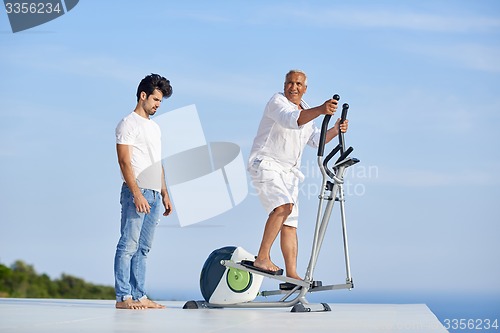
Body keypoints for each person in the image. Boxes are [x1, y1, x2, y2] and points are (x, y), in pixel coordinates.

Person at [248, 69, 349, 280]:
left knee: (290, 223)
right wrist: (321, 110)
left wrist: (336, 129)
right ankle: (262, 257)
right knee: (283, 206)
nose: (293, 87)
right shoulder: (277, 102)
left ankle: (292, 276)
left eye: (298, 84)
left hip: (290, 173)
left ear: (305, 89)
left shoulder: (306, 108)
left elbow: (314, 139)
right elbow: (290, 120)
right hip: (266, 163)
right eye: (289, 83)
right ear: (284, 85)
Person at [114, 74, 173, 309]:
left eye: (160, 101)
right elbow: (124, 162)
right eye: (156, 99)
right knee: (128, 245)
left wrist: (165, 192)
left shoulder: (155, 127)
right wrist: (136, 193)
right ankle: (123, 297)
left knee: (143, 249)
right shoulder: (127, 123)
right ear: (143, 96)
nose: (158, 104)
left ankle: (139, 296)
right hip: (136, 193)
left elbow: (157, 161)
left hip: (155, 194)